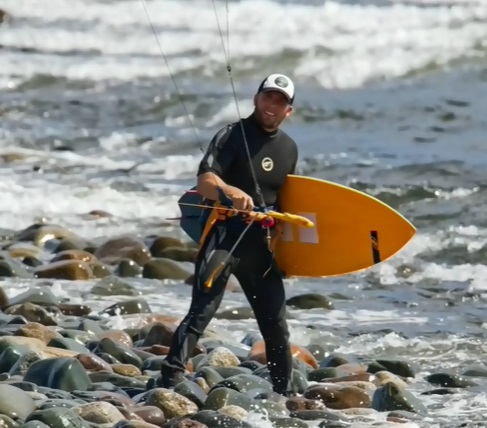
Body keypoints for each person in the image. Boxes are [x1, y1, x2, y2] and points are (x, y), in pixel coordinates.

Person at [158, 73, 299, 396]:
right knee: (203, 307)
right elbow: (205, 182)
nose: (272, 105)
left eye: (281, 101)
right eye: (268, 97)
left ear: (288, 111)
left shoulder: (289, 149)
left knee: (275, 323)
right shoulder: (233, 135)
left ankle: (285, 392)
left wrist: (293, 251)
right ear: (256, 98)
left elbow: (292, 202)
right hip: (226, 234)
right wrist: (228, 189)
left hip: (261, 245)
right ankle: (171, 376)